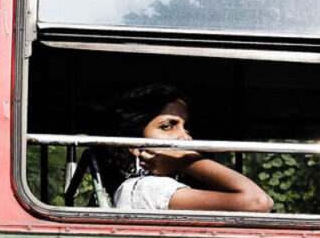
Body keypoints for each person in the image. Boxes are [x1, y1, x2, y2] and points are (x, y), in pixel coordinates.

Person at [104, 83, 272, 213]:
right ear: (134, 144)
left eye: (186, 127)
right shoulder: (147, 188)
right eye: (168, 126)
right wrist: (187, 162)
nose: (186, 137)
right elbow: (258, 202)